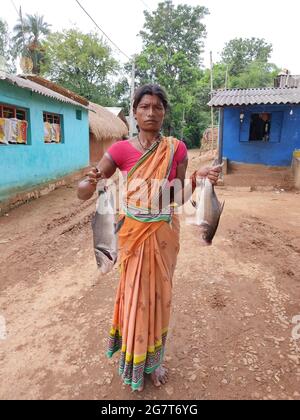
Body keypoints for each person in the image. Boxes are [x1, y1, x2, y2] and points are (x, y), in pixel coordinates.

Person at [77, 84, 221, 392]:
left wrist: (199, 179)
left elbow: (179, 195)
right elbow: (85, 189)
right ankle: (133, 357)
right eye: (144, 107)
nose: (151, 112)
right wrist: (88, 182)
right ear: (135, 112)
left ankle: (154, 363)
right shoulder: (119, 150)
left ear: (164, 112)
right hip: (132, 235)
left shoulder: (176, 149)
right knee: (135, 299)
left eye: (157, 107)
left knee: (159, 298)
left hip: (164, 234)